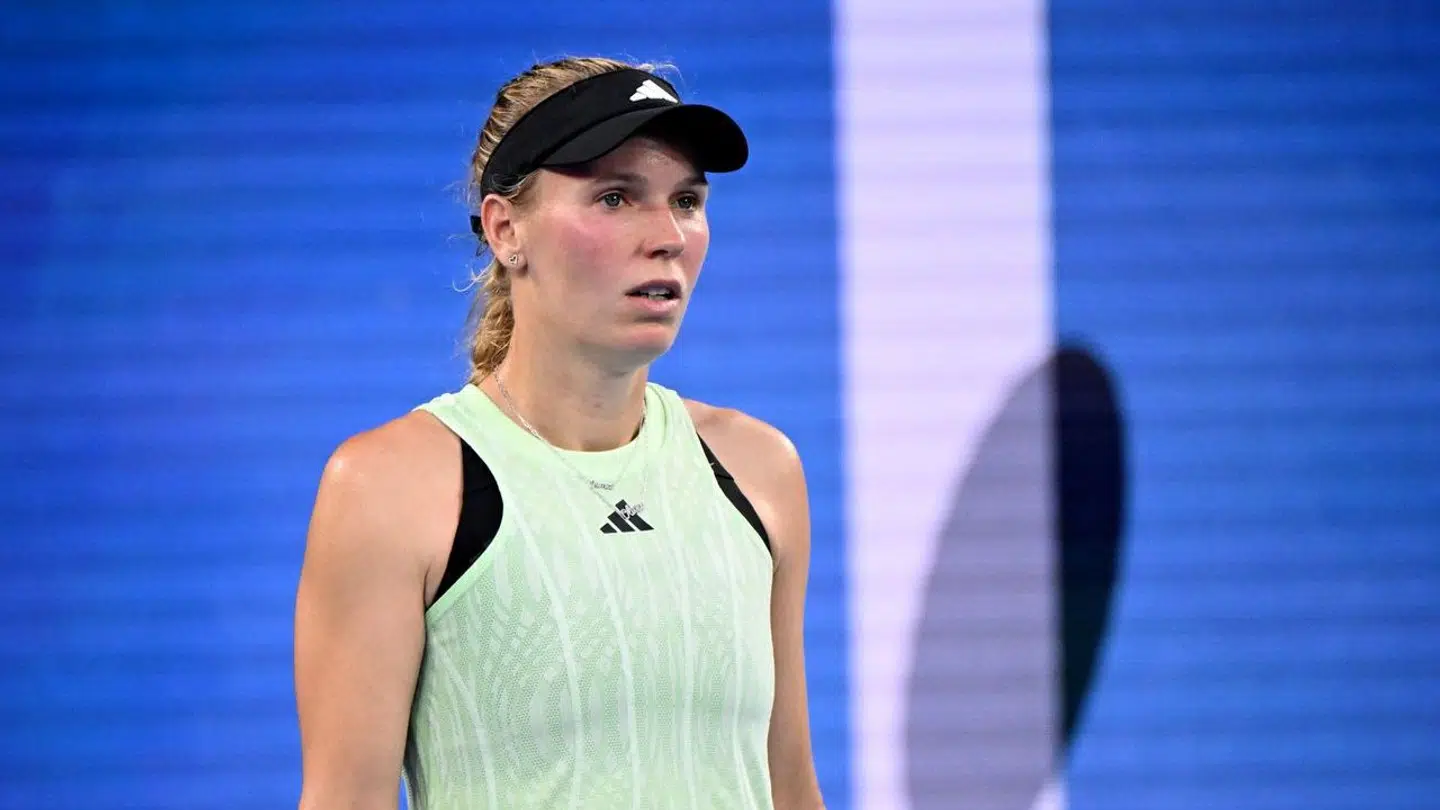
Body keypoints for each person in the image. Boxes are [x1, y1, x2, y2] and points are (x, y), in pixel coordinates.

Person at [293, 56, 827, 810]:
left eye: (687, 200)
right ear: (505, 228)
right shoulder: (389, 489)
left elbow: (791, 788)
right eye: (615, 197)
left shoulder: (759, 470)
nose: (668, 235)